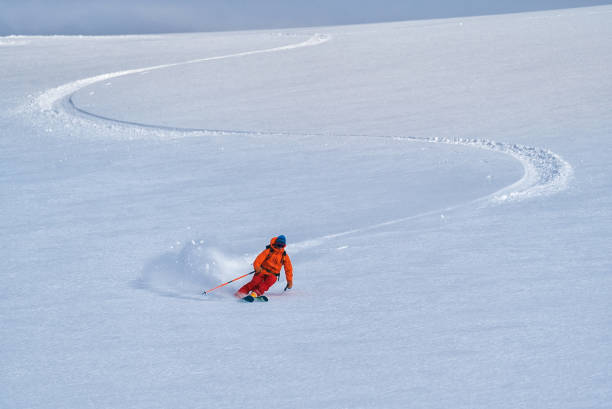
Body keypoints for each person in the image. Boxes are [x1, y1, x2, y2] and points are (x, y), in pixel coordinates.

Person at [235, 235, 293, 300]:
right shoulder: (269, 251)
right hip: (262, 271)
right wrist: (257, 267)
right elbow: (258, 259)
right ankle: (241, 292)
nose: (280, 247)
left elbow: (288, 269)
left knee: (271, 280)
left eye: (282, 245)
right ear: (276, 243)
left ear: (284, 245)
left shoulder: (284, 256)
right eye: (279, 244)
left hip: (273, 274)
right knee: (255, 282)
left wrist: (289, 281)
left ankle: (256, 293)